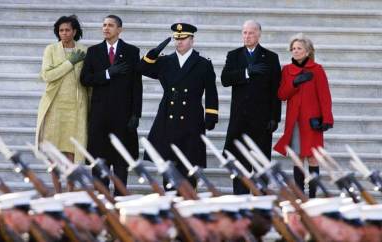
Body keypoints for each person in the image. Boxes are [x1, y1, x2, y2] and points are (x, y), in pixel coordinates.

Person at [140, 23, 218, 189]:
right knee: (169, 166)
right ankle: (170, 204)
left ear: (192, 40)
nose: (179, 42)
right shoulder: (165, 61)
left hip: (192, 118)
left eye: (183, 38)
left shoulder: (203, 63)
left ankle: (189, 202)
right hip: (168, 117)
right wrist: (152, 54)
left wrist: (211, 115)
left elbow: (211, 92)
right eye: (176, 38)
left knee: (190, 166)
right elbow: (142, 68)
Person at [80, 15, 142, 195]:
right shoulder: (93, 52)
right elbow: (85, 79)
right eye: (104, 25)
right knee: (100, 161)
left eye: (111, 25)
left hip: (123, 117)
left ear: (119, 29)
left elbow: (137, 85)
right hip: (100, 117)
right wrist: (107, 73)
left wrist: (136, 114)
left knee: (121, 162)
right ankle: (102, 201)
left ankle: (120, 201)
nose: (106, 28)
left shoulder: (131, 51)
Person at [221, 20, 281, 195]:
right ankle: (240, 201)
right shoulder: (234, 55)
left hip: (261, 121)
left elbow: (275, 90)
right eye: (244, 33)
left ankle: (261, 204)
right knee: (239, 164)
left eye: (251, 33)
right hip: (240, 120)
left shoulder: (271, 57)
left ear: (259, 34)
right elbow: (225, 79)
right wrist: (246, 72)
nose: (247, 36)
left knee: (261, 164)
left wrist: (274, 118)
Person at [274, 33, 333, 198]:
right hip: (295, 122)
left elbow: (325, 96)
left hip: (312, 121)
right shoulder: (286, 70)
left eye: (299, 48)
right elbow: (281, 94)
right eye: (293, 48)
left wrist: (327, 118)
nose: (295, 51)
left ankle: (312, 196)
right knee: (298, 159)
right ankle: (300, 196)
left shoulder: (317, 69)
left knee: (313, 159)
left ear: (307, 52)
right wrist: (294, 83)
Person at [36, 15, 88, 165]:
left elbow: (87, 81)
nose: (64, 33)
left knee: (72, 150)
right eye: (61, 30)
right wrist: (69, 63)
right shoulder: (51, 50)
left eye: (67, 30)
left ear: (74, 31)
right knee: (54, 151)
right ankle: (58, 189)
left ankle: (70, 187)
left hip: (77, 107)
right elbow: (47, 75)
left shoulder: (84, 50)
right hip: (55, 106)